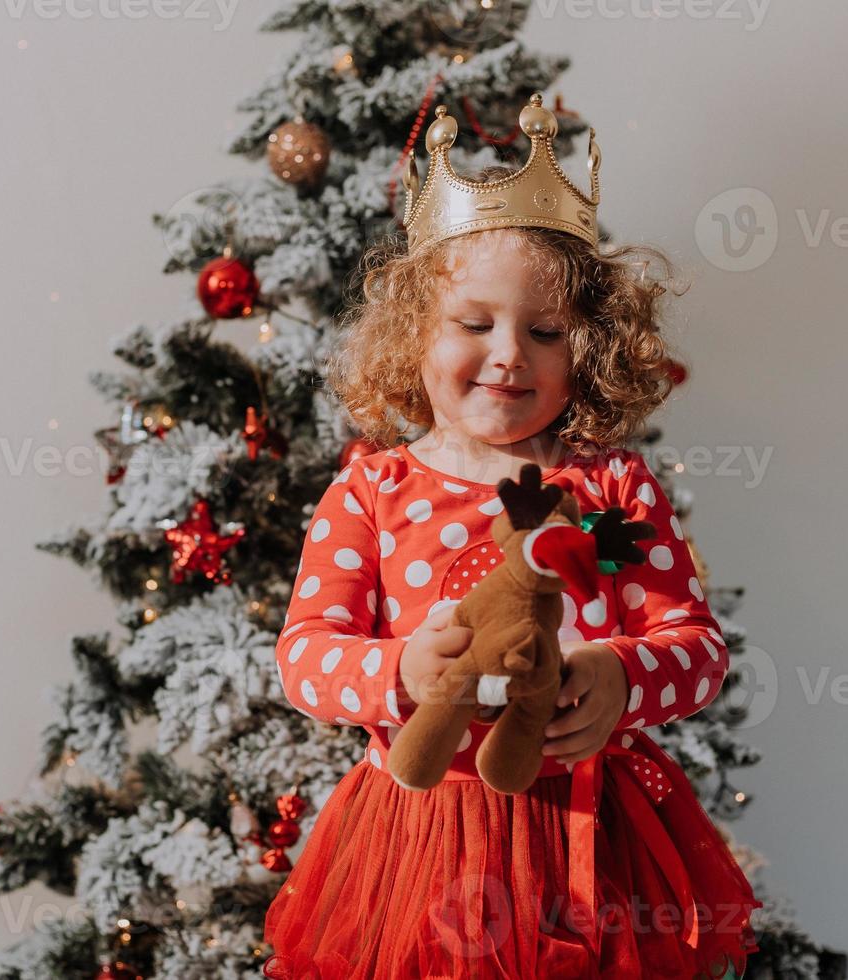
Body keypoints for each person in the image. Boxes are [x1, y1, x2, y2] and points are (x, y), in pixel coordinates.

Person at [261, 96, 761, 979]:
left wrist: (619, 675)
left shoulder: (612, 485)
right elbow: (306, 655)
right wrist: (400, 671)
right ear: (414, 333)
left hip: (590, 833)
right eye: (473, 323)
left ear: (590, 347)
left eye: (544, 332)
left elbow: (696, 648)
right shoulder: (374, 489)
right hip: (419, 838)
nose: (508, 356)